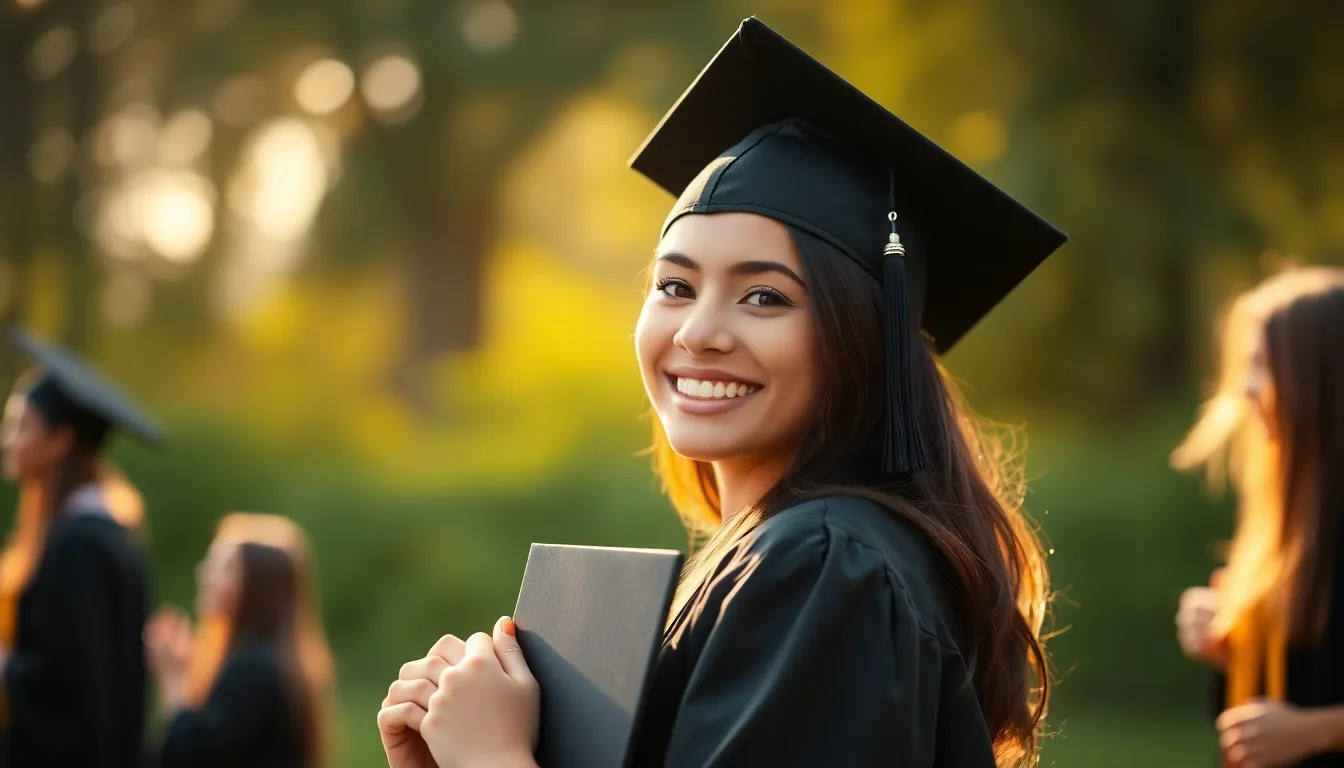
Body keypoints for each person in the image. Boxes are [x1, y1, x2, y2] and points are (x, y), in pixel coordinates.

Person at [378, 17, 1067, 768]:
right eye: (675, 285)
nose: (699, 331)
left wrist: (493, 760)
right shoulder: (783, 555)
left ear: (865, 337)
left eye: (765, 297)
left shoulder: (826, 566)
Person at [1174, 266, 1344, 768]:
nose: (1246, 388)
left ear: (1321, 379)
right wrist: (1232, 646)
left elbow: (1296, 721)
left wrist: (1316, 732)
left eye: (1264, 366)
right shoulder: (1283, 517)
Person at [0, 326, 163, 767]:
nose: (6, 441)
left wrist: (5, 666)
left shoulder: (80, 544)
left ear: (61, 441)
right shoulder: (103, 533)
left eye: (20, 425)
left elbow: (71, 689)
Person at [145, 512, 334, 768]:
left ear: (258, 585)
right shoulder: (271, 661)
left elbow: (192, 757)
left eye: (223, 567)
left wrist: (173, 678)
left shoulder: (254, 669)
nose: (204, 574)